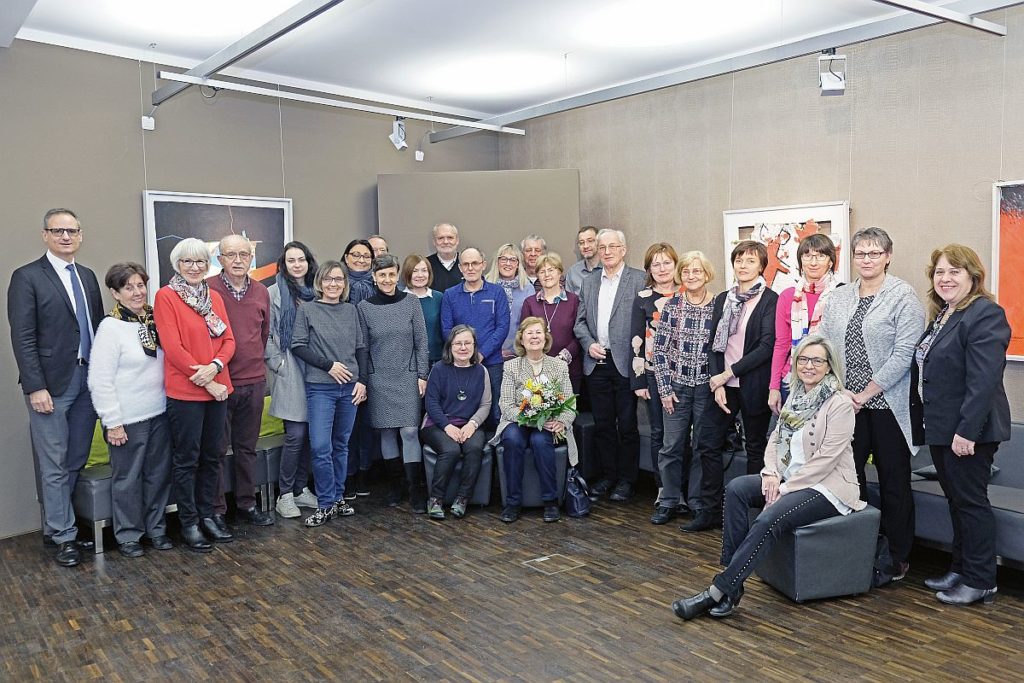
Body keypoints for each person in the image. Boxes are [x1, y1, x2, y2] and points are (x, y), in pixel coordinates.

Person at [672, 335, 864, 620]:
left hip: (827, 488)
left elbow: (826, 460)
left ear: (829, 367)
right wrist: (771, 473)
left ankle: (717, 591)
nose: (809, 366)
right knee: (737, 488)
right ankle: (732, 585)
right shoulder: (796, 397)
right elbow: (775, 440)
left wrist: (784, 487)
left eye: (817, 361)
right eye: (803, 359)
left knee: (768, 517)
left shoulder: (839, 405)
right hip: (788, 478)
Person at [821, 227, 923, 581]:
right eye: (861, 253)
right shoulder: (840, 296)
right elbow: (824, 345)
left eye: (874, 253)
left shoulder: (903, 296)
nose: (867, 259)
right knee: (850, 480)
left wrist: (865, 393)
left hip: (888, 408)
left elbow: (904, 354)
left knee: (895, 484)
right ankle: (860, 546)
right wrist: (839, 390)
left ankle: (897, 556)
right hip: (847, 406)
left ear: (888, 256)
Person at [911, 244, 1010, 606]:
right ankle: (960, 568)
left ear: (973, 276)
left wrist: (967, 431)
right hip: (941, 427)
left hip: (970, 431)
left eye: (954, 271)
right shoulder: (945, 315)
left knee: (971, 503)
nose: (945, 278)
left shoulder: (985, 314)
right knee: (956, 502)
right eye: (939, 272)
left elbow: (983, 381)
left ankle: (982, 579)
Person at [9, 209, 103, 567]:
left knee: (75, 459)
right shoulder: (27, 277)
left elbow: (95, 330)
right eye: (58, 231)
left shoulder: (88, 276)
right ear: (45, 235)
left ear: (80, 235)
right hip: (50, 386)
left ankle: (55, 526)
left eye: (72, 231)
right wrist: (35, 387)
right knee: (53, 462)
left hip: (86, 382)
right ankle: (64, 536)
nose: (66, 236)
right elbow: (23, 337)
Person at [684, 240, 777, 533]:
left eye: (750, 261)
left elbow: (765, 347)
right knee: (707, 443)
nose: (743, 265)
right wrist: (717, 381)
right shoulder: (724, 298)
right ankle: (710, 510)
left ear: (761, 266)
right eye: (739, 260)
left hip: (752, 385)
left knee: (755, 450)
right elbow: (713, 344)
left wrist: (728, 374)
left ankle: (751, 516)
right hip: (723, 386)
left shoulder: (770, 300)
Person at [153, 238, 236, 551]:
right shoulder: (166, 297)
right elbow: (173, 348)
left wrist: (215, 367)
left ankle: (209, 514)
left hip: (217, 386)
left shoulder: (214, 296)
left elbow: (229, 340)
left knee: (212, 456)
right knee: (187, 459)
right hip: (186, 392)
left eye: (200, 261)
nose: (194, 267)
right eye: (187, 262)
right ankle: (188, 521)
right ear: (177, 265)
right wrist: (206, 380)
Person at [87, 263, 172, 557]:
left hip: (160, 413)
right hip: (127, 419)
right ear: (115, 293)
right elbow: (99, 380)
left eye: (140, 285)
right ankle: (129, 535)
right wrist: (113, 422)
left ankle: (157, 529)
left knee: (158, 475)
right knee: (128, 480)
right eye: (128, 287)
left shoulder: (155, 320)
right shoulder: (110, 328)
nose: (137, 292)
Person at [291, 261, 368, 527]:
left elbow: (361, 348)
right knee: (321, 446)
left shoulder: (351, 311)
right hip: (320, 388)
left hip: (350, 387)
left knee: (341, 445)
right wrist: (329, 366)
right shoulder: (308, 310)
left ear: (344, 284)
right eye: (328, 279)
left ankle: (337, 498)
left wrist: (362, 381)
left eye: (338, 279)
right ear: (320, 283)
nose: (333, 284)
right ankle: (325, 503)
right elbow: (298, 346)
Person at [573, 228, 647, 502]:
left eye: (612, 247)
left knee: (627, 425)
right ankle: (608, 476)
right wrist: (588, 343)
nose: (606, 252)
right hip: (597, 361)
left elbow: (646, 324)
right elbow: (579, 322)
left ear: (623, 250)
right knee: (603, 424)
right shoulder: (590, 282)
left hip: (626, 362)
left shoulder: (639, 279)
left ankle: (627, 480)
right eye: (602, 247)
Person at [208, 234, 274, 527]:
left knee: (247, 448)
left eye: (243, 254)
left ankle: (246, 504)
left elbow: (262, 334)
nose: (237, 260)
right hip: (219, 383)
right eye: (230, 254)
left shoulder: (261, 291)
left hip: (254, 380)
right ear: (219, 259)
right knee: (217, 449)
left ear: (251, 258)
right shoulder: (207, 290)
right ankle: (217, 510)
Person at [358, 254, 430, 512]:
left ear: (398, 274)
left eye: (391, 274)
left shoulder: (411, 302)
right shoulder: (364, 308)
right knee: (387, 432)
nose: (387, 279)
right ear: (374, 278)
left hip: (408, 375)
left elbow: (422, 342)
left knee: (409, 431)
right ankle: (395, 485)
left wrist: (422, 374)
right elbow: (363, 348)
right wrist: (364, 380)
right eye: (382, 275)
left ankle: (415, 488)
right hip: (380, 379)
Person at [650, 251, 716, 525]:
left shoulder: (718, 306)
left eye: (697, 271)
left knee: (702, 446)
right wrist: (665, 389)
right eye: (687, 271)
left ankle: (698, 502)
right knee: (671, 447)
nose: (691, 276)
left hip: (706, 388)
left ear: (707, 274)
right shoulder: (672, 305)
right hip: (676, 386)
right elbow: (660, 351)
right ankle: (669, 501)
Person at [494, 317, 578, 524]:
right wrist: (528, 418)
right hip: (517, 421)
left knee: (541, 441)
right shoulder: (511, 366)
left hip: (549, 421)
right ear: (521, 339)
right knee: (512, 440)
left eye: (538, 332)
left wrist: (562, 422)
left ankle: (550, 502)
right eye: (529, 333)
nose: (534, 337)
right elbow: (505, 404)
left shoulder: (558, 366)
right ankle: (513, 503)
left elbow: (569, 403)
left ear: (545, 337)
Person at [266, 241, 320, 518]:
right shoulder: (274, 292)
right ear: (284, 264)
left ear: (309, 262)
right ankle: (284, 494)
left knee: (312, 433)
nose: (297, 265)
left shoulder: (319, 291)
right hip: (290, 367)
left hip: (318, 367)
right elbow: (266, 332)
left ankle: (301, 489)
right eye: (291, 260)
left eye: (301, 259)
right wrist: (279, 363)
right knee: (296, 434)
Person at [420, 325, 492, 520]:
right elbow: (431, 403)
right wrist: (447, 426)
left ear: (474, 346)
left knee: (475, 447)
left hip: (470, 423)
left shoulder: (481, 371)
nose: (463, 347)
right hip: (437, 423)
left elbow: (486, 404)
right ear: (450, 347)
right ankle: (435, 499)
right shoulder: (439, 369)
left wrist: (473, 424)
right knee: (450, 450)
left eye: (467, 343)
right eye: (458, 343)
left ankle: (462, 499)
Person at [630, 243, 681, 508]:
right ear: (649, 269)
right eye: (656, 264)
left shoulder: (688, 293)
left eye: (666, 263)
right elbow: (636, 339)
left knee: (682, 434)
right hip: (651, 373)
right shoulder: (642, 297)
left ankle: (682, 488)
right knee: (659, 432)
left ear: (676, 264)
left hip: (684, 374)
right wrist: (638, 380)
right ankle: (663, 488)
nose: (662, 269)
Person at [769, 233, 840, 414]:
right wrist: (774, 387)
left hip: (830, 381)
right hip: (792, 379)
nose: (813, 262)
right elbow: (781, 344)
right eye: (807, 256)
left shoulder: (842, 294)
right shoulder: (788, 296)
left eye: (820, 256)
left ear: (830, 262)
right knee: (790, 438)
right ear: (801, 261)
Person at [441, 247, 510, 427]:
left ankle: (495, 451)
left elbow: (502, 327)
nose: (470, 268)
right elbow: (447, 330)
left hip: (492, 362)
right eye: (466, 264)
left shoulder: (497, 292)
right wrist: (465, 354)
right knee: (464, 411)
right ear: (460, 268)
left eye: (475, 263)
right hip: (461, 364)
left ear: (483, 265)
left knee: (496, 411)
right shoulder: (450, 295)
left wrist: (481, 354)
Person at [342, 238, 377, 495]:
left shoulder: (379, 286)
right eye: (356, 254)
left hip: (376, 361)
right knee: (349, 425)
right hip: (346, 362)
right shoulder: (338, 285)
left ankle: (366, 472)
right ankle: (349, 474)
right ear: (346, 257)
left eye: (366, 256)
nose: (361, 259)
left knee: (367, 423)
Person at [520, 253, 582, 392]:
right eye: (542, 271)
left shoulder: (574, 301)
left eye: (551, 270)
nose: (547, 275)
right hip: (536, 370)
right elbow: (524, 336)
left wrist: (561, 359)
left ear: (560, 272)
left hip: (569, 369)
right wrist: (542, 361)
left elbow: (580, 334)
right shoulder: (529, 303)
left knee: (566, 413)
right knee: (538, 412)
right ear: (538, 276)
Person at [485, 243, 533, 360]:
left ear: (518, 264)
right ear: (497, 262)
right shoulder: (485, 285)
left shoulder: (527, 288)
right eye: (503, 259)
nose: (508, 263)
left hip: (519, 352)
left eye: (512, 260)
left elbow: (529, 323)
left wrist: (515, 350)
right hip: (487, 351)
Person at [403, 254, 445, 367]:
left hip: (436, 360)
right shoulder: (399, 298)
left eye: (424, 270)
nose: (420, 275)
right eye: (415, 271)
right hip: (408, 363)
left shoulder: (438, 298)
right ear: (407, 273)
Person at [426, 222, 463, 292]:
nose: (446, 242)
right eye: (440, 238)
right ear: (434, 241)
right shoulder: (425, 265)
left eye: (450, 237)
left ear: (457, 240)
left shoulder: (467, 263)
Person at [566, 226, 601, 295]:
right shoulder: (573, 272)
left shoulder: (608, 268)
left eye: (590, 241)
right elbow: (570, 303)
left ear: (599, 242)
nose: (586, 246)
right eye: (582, 242)